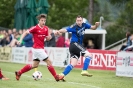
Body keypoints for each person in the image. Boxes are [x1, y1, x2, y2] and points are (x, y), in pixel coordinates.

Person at [15, 14, 60, 81]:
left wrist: (49, 38)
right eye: (42, 20)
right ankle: (56, 77)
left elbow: (47, 38)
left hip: (40, 49)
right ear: (39, 21)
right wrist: (20, 40)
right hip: (37, 49)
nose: (43, 22)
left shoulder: (46, 28)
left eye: (44, 21)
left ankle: (19, 73)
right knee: (49, 61)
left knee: (34, 65)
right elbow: (25, 33)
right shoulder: (35, 28)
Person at [55, 15, 100, 81]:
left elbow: (93, 28)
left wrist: (96, 25)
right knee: (89, 55)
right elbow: (65, 30)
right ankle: (84, 70)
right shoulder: (74, 27)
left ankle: (61, 75)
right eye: (77, 21)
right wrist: (58, 31)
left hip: (74, 47)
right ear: (76, 21)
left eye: (80, 20)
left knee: (73, 63)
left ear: (82, 21)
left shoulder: (85, 25)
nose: (79, 22)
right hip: (75, 44)